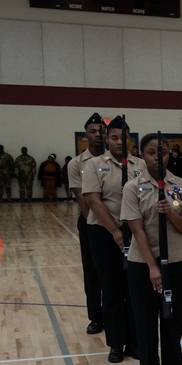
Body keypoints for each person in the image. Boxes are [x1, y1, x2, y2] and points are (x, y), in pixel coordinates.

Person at [122, 133, 182, 365]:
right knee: (145, 325)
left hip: (176, 263)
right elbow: (137, 229)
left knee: (172, 324)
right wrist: (153, 267)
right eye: (152, 152)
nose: (158, 157)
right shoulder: (133, 187)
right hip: (143, 265)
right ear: (143, 155)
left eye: (162, 152)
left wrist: (171, 212)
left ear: (169, 155)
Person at [83, 115, 145, 363]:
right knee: (111, 289)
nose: (120, 141)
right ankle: (116, 343)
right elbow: (93, 201)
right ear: (107, 139)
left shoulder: (139, 165)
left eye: (124, 137)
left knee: (134, 290)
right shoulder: (95, 165)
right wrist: (115, 231)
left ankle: (135, 342)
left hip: (135, 230)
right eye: (115, 137)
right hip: (103, 232)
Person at [70, 113, 106, 335]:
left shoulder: (116, 160)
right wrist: (100, 226)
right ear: (86, 135)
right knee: (92, 272)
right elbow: (84, 203)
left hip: (118, 223)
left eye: (101, 131)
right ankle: (96, 317)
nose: (98, 135)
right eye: (93, 131)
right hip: (90, 223)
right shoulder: (76, 164)